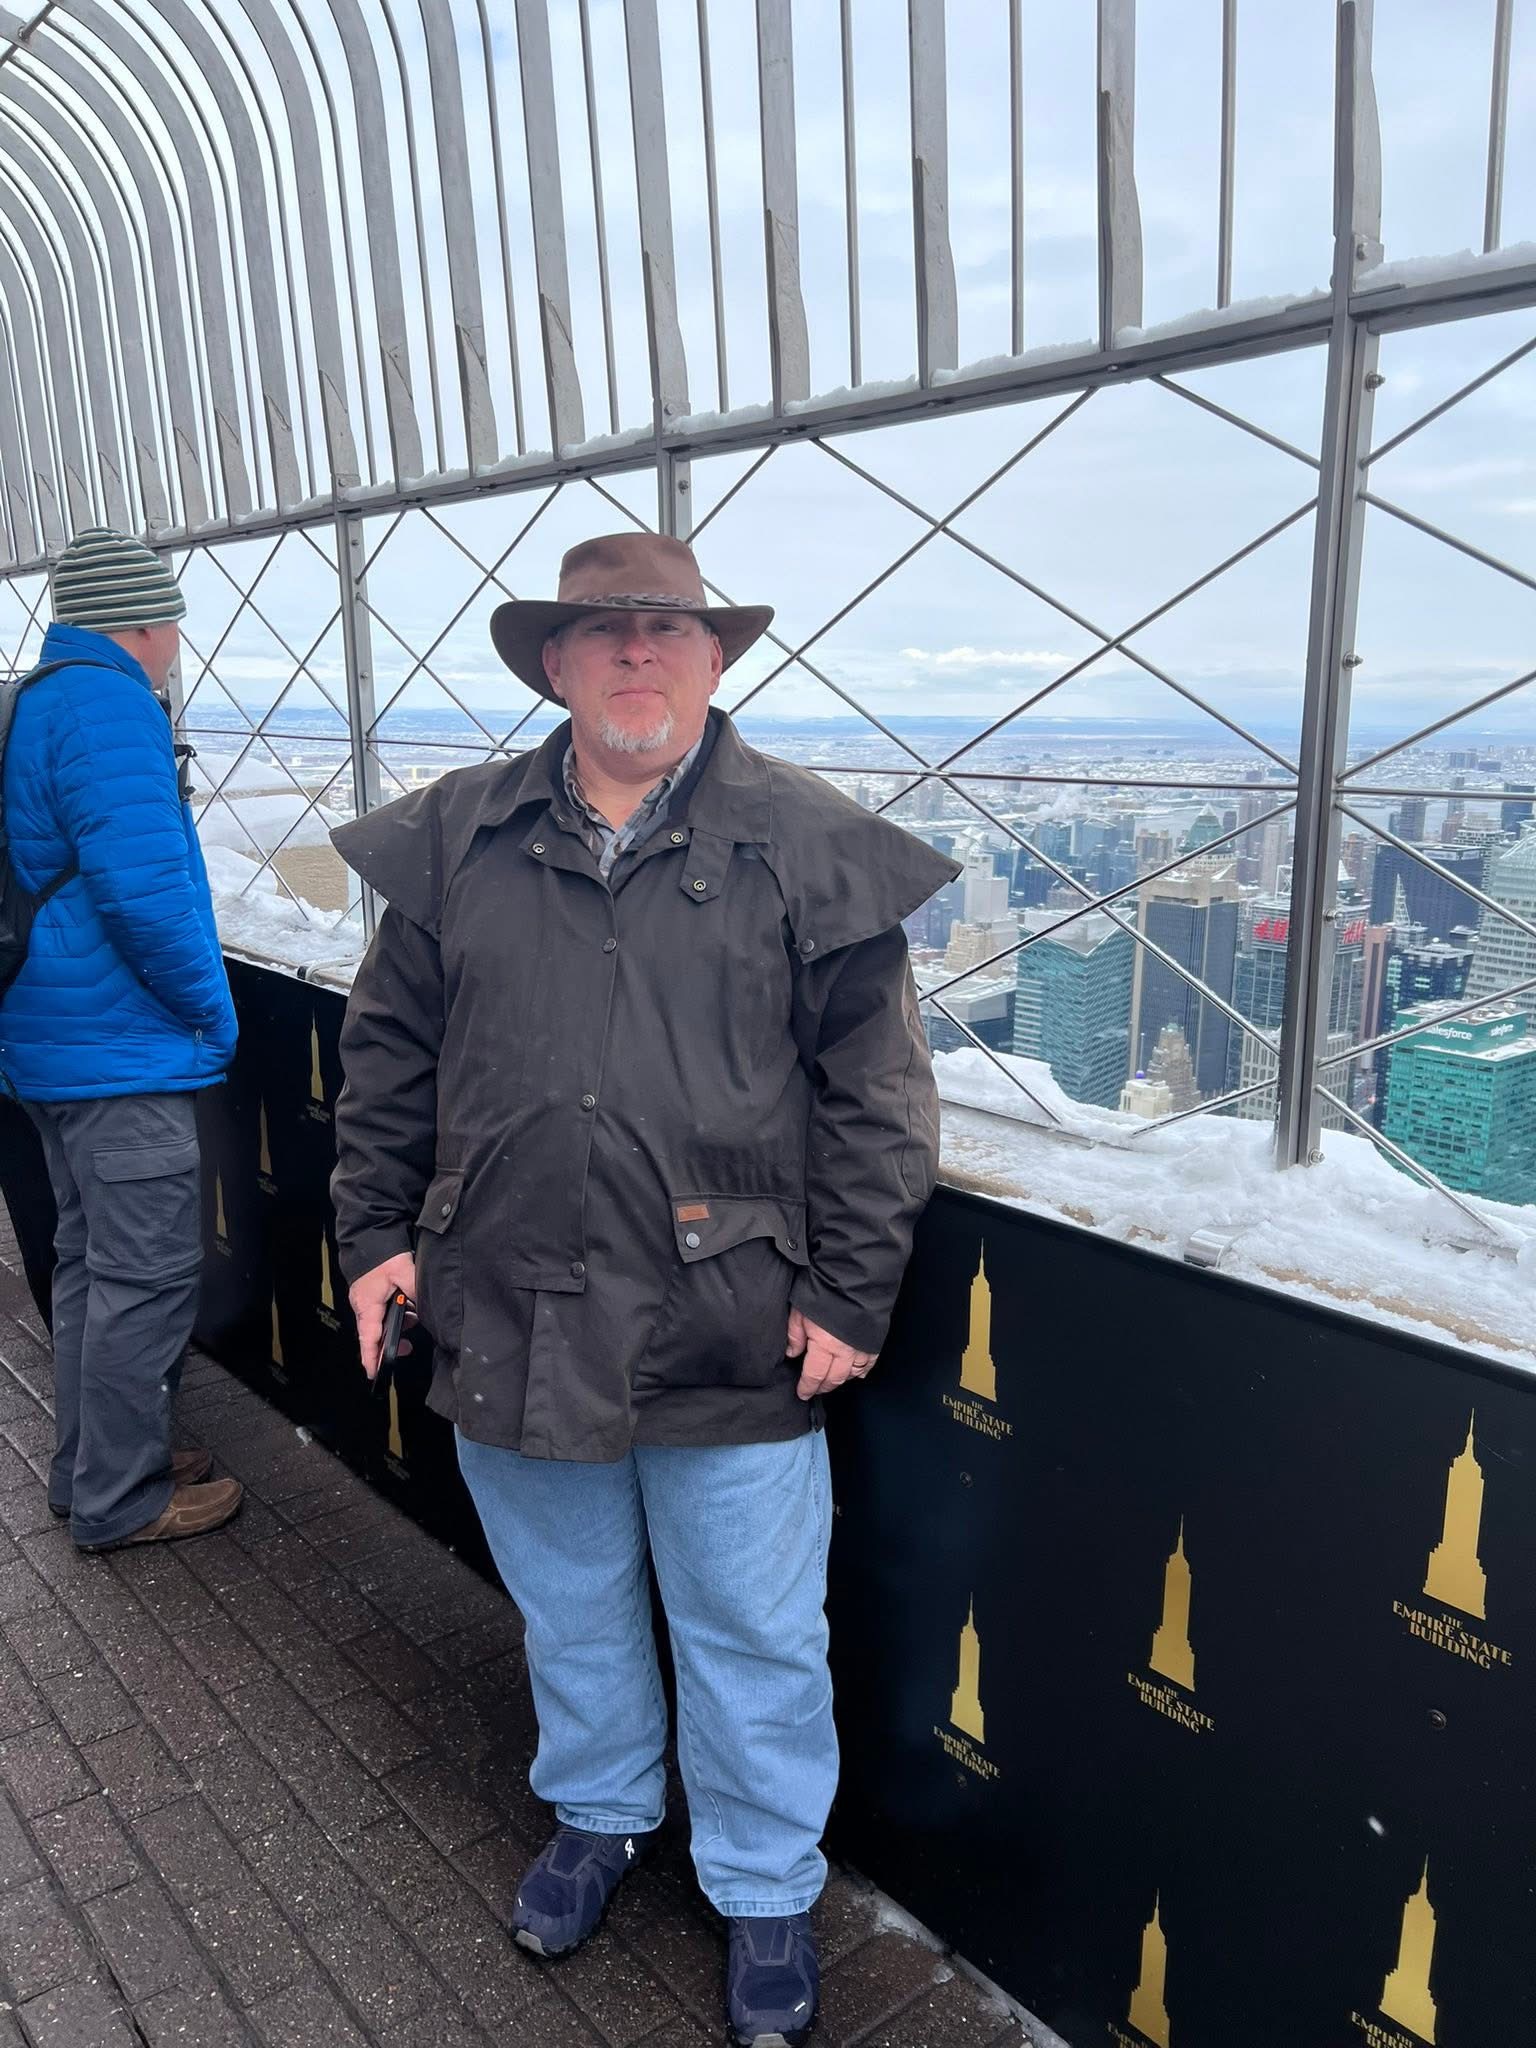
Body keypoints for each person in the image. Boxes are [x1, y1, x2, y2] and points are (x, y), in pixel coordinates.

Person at [330, 532, 957, 2048]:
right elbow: (389, 1053)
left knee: (752, 1628)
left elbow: (879, 1098)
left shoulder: (807, 844)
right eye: (602, 629)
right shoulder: (459, 836)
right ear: (554, 662)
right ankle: (601, 1810)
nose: (635, 652)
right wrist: (372, 1236)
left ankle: (763, 1884)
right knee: (571, 1603)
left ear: (713, 658)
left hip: (724, 1316)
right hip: (509, 1300)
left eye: (666, 629)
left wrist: (851, 1293)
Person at [0, 528, 243, 1551]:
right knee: (145, 1280)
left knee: (90, 1267)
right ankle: (121, 1497)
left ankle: (90, 1467)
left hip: (54, 1041)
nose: (179, 638)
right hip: (116, 1048)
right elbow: (146, 895)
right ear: (142, 622)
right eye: (172, 618)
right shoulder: (108, 705)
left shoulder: (42, 694)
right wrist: (211, 1014)